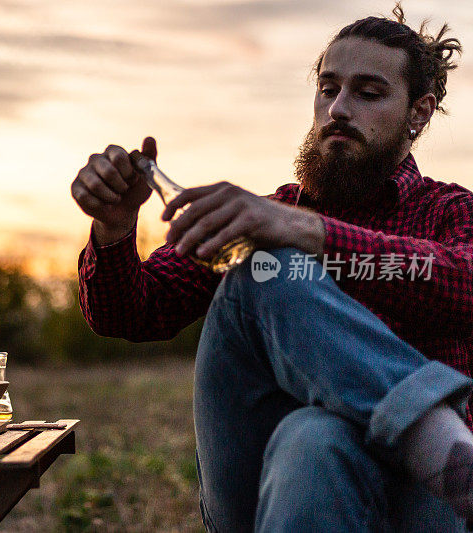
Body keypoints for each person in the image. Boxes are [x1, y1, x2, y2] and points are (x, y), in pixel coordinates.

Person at [71, 5, 473, 532]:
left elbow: (465, 281)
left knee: (314, 431)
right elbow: (131, 314)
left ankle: (439, 455)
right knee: (263, 269)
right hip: (267, 489)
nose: (338, 110)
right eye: (328, 89)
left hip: (423, 507)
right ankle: (440, 445)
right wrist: (115, 229)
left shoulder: (451, 212)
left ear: (418, 113)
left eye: (369, 93)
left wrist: (310, 234)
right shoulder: (264, 216)